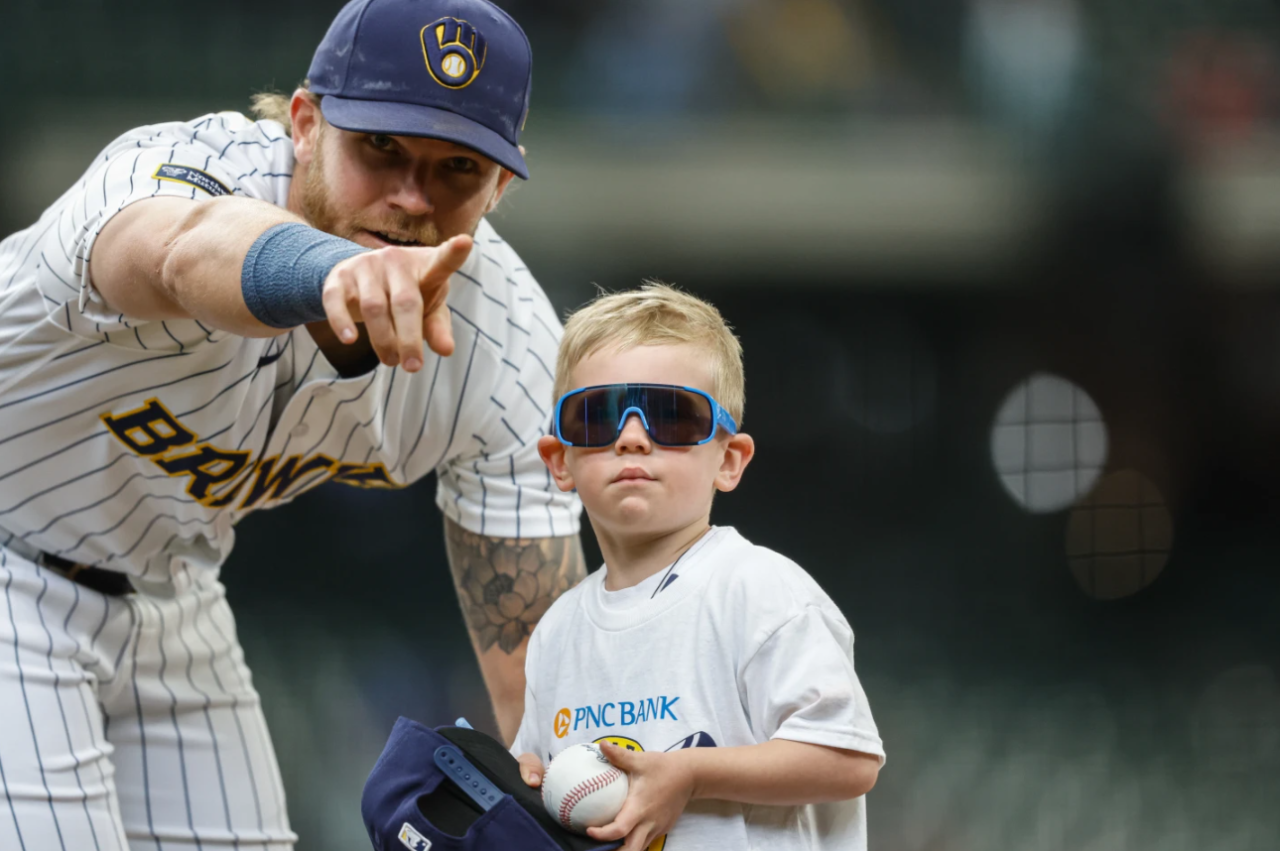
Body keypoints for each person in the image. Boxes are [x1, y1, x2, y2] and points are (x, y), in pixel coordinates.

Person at [0, 0, 586, 848]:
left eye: (457, 166)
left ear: (502, 183)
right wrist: (325, 271)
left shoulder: (507, 349)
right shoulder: (179, 167)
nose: (410, 196)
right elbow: (179, 247)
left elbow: (536, 658)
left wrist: (577, 791)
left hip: (174, 597)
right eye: (379, 147)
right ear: (305, 123)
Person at [510, 283, 885, 851]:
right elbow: (539, 775)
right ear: (560, 460)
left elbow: (848, 759)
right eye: (596, 417)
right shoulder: (558, 630)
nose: (632, 438)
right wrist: (526, 781)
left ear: (728, 460)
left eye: (671, 417)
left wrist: (690, 774)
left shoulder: (756, 588)